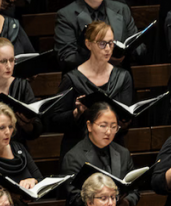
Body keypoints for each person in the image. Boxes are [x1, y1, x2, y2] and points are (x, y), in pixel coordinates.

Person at [51, 20, 135, 156]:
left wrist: (124, 122)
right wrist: (77, 113)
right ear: (88, 44)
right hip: (79, 148)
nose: (108, 49)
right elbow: (55, 120)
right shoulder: (72, 78)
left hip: (112, 148)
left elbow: (125, 121)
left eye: (111, 43)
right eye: (102, 43)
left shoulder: (123, 76)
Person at [54, 0, 145, 72]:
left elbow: (137, 47)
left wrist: (134, 51)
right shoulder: (66, 15)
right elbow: (66, 57)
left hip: (118, 74)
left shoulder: (121, 9)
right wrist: (102, 59)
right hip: (85, 76)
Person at [60, 100, 141, 206]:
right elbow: (76, 199)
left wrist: (127, 202)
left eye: (113, 127)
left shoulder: (123, 153)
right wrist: (105, 202)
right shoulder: (73, 157)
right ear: (89, 126)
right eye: (103, 126)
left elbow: (134, 190)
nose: (108, 132)